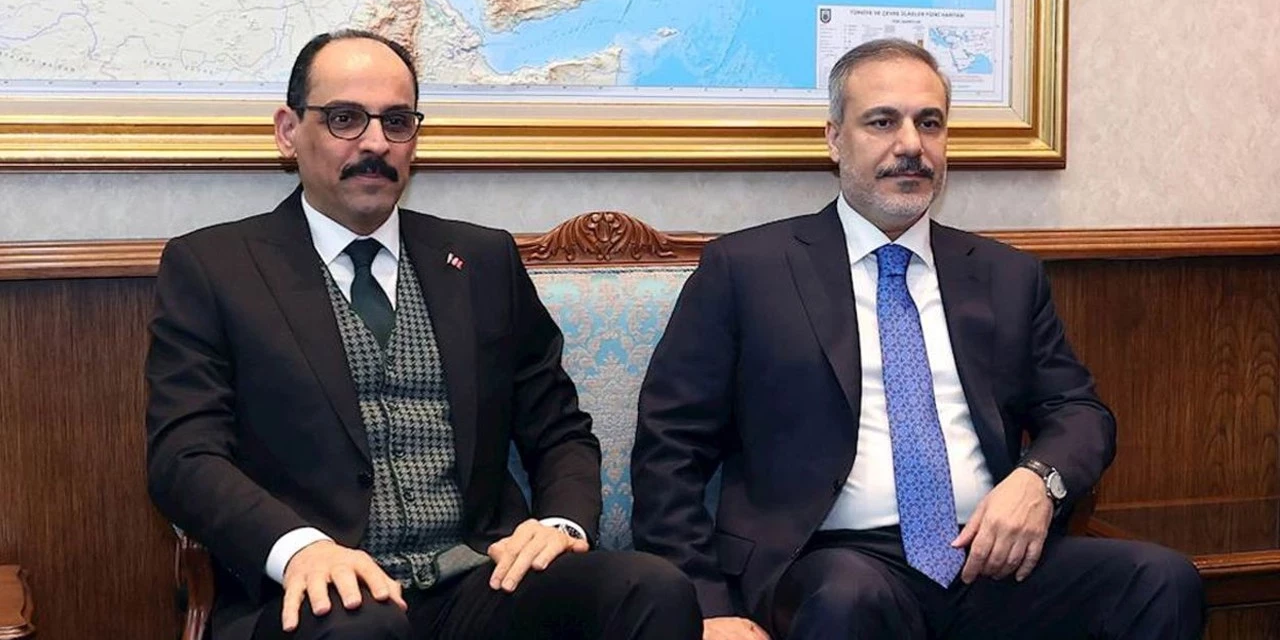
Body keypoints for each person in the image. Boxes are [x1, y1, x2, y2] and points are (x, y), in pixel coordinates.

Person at [631, 38, 1203, 640]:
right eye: (882, 122)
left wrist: (1039, 479)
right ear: (834, 138)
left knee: (1162, 579)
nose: (911, 145)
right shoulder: (747, 269)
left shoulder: (1006, 275)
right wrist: (708, 606)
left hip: (988, 557)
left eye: (929, 123)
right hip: (830, 560)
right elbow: (671, 447)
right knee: (847, 599)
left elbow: (1080, 412)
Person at [145, 29, 700, 640]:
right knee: (361, 628)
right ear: (288, 131)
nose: (375, 143)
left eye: (397, 121)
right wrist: (299, 548)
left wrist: (561, 526)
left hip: (479, 579)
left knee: (652, 590)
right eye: (345, 119)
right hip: (325, 592)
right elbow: (184, 457)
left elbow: (560, 430)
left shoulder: (481, 260)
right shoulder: (214, 267)